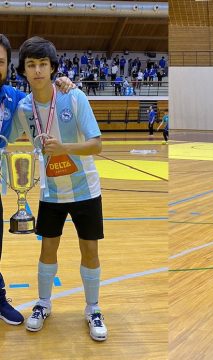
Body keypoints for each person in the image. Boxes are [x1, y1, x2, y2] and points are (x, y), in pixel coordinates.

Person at [12, 36, 107, 341]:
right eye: (31, 65)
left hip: (85, 190)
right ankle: (43, 303)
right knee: (47, 248)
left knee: (89, 248)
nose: (37, 70)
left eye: (43, 64)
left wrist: (63, 147)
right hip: (50, 193)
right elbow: (7, 135)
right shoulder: (22, 108)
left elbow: (97, 144)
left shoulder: (74, 97)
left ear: (53, 68)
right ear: (23, 71)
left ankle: (92, 308)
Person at [0, 34, 72, 328]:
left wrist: (61, 84)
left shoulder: (12, 99)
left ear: (6, 66)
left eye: (0, 61)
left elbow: (40, 96)